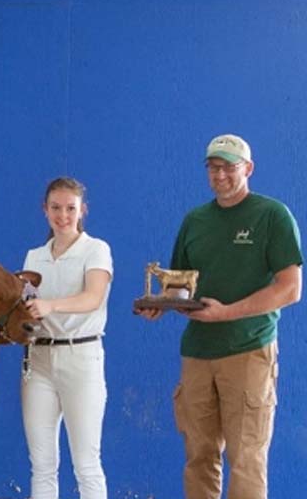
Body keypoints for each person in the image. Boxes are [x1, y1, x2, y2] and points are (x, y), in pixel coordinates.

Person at [138, 134, 302, 499]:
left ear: (248, 168)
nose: (220, 175)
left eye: (229, 167)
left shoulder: (272, 216)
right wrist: (160, 306)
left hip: (248, 351)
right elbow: (180, 287)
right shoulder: (195, 220)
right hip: (197, 353)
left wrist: (228, 313)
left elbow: (291, 288)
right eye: (213, 167)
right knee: (199, 456)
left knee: (246, 459)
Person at [21, 176, 113, 499]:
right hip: (40, 359)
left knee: (86, 463)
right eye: (56, 208)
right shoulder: (34, 257)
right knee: (42, 463)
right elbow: (25, 307)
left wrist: (50, 306)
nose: (63, 216)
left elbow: (93, 298)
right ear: (44, 210)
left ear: (82, 210)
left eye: (70, 208)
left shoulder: (96, 250)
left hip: (82, 357)